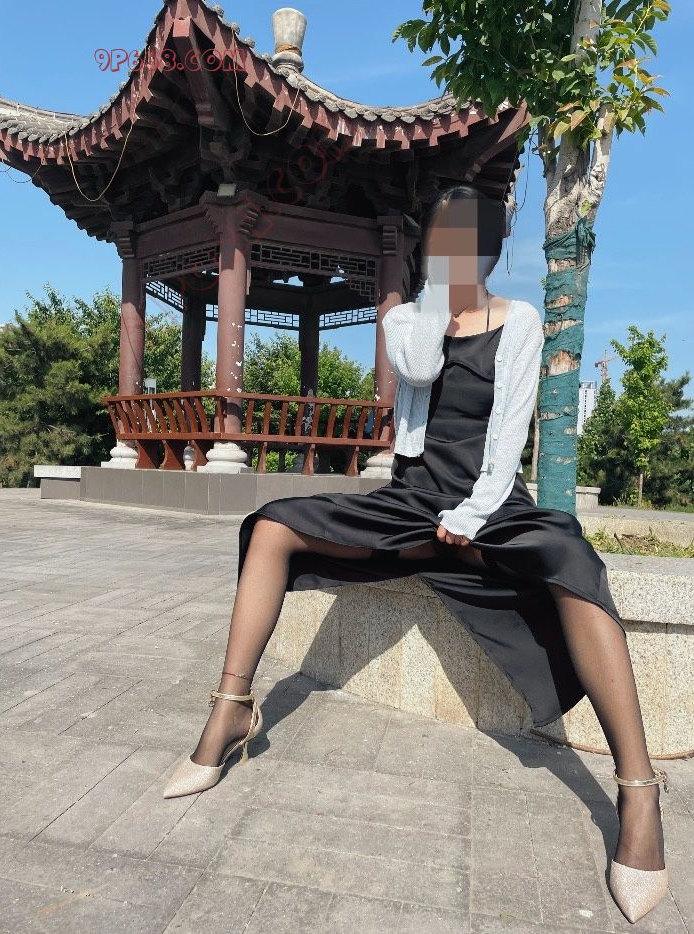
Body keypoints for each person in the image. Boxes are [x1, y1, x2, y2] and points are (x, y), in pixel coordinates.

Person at [163, 184, 668, 924]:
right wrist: (438, 296)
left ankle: (638, 791)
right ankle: (232, 710)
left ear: (492, 246)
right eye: (443, 239)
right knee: (271, 525)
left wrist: (473, 514)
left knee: (573, 562)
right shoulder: (405, 318)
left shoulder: (522, 320)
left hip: (493, 501)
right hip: (411, 497)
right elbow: (423, 369)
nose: (455, 252)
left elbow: (509, 438)